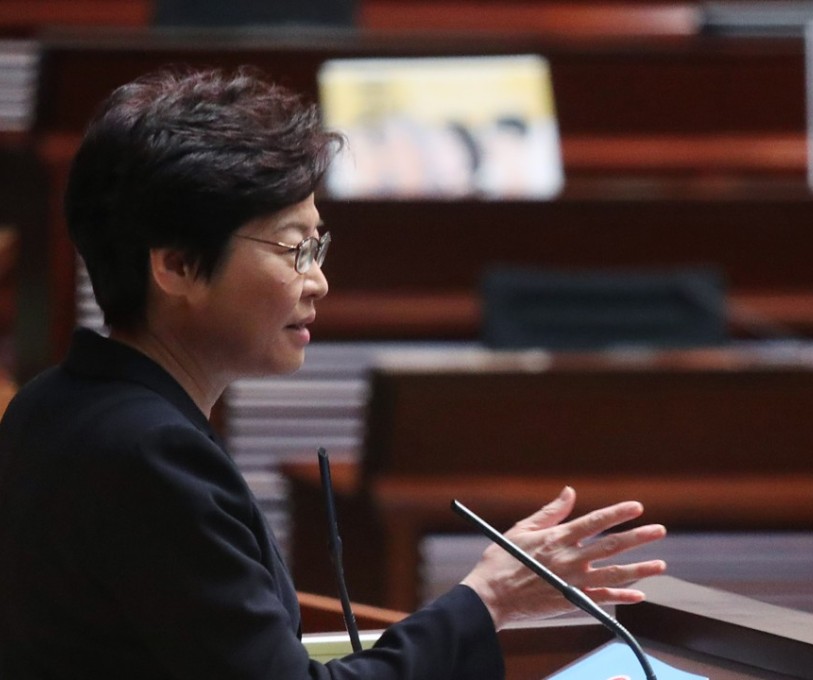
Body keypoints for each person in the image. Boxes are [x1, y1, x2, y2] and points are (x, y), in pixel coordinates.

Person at [0, 67, 667, 679]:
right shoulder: (151, 454)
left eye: (318, 246)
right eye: (294, 249)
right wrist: (487, 597)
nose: (318, 280)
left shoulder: (49, 405)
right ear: (175, 265)